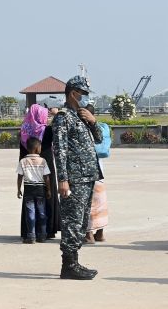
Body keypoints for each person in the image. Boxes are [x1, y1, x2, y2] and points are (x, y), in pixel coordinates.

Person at [52, 75, 103, 280]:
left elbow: (98, 139)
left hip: (87, 176)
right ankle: (69, 265)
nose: (86, 98)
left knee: (81, 222)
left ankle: (74, 261)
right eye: (83, 94)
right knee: (72, 222)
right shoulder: (63, 117)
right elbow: (60, 150)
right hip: (74, 178)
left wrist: (93, 122)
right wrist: (62, 179)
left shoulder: (80, 116)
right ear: (73, 93)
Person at [19, 104, 60, 240]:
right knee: (47, 198)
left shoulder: (24, 131)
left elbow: (21, 155)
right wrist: (57, 114)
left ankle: (29, 231)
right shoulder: (47, 131)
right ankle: (47, 230)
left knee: (29, 203)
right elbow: (60, 127)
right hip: (45, 169)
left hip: (29, 171)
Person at [17, 137, 51, 244]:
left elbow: (19, 177)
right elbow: (46, 177)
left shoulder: (23, 161)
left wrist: (18, 189)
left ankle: (31, 236)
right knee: (42, 213)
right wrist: (49, 190)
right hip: (40, 189)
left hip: (28, 189)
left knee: (30, 213)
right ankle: (42, 235)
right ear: (37, 148)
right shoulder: (43, 161)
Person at [84, 104, 110, 244]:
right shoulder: (100, 127)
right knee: (100, 203)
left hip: (87, 172)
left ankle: (88, 234)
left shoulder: (83, 129)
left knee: (87, 203)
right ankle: (100, 233)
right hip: (101, 171)